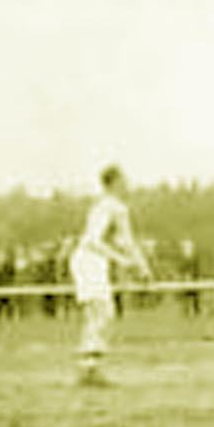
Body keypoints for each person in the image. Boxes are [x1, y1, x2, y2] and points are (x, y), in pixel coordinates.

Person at [68, 165, 152, 385]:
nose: (128, 184)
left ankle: (89, 367)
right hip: (89, 259)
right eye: (124, 180)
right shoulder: (111, 207)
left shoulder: (115, 208)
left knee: (100, 313)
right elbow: (93, 241)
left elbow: (128, 241)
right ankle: (89, 369)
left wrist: (143, 267)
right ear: (115, 182)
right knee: (102, 312)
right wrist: (122, 261)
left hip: (94, 260)